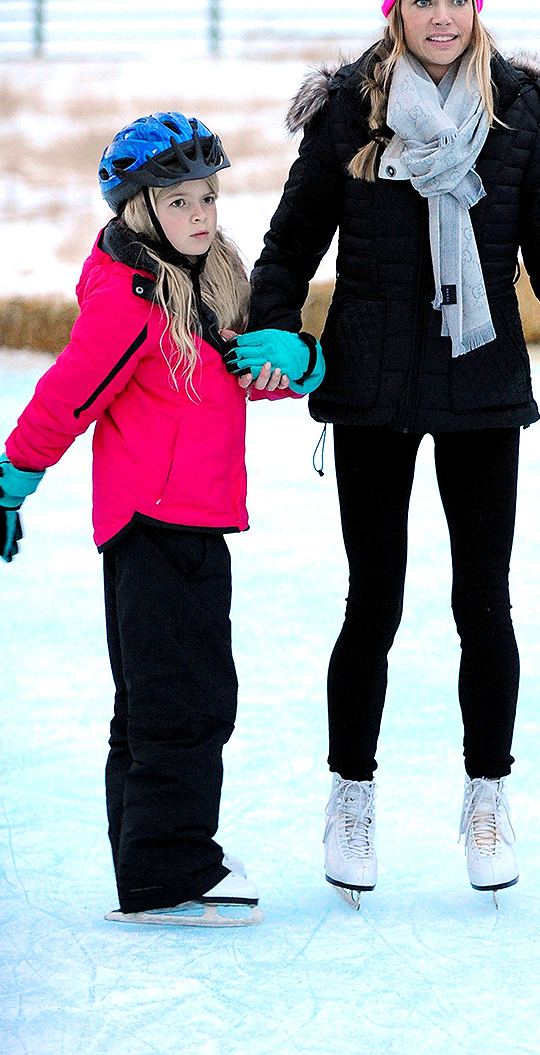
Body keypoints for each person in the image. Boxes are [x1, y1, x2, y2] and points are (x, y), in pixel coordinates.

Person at [226, 0, 540, 904]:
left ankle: (486, 797)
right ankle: (351, 796)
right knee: (370, 602)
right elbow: (287, 248)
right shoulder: (348, 114)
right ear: (393, 9)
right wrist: (279, 327)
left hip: (479, 385)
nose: (442, 16)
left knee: (481, 604)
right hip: (371, 389)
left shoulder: (522, 115)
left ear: (477, 5)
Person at [0, 113, 324, 927]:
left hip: (193, 521)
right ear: (142, 209)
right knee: (182, 700)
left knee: (156, 698)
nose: (202, 214)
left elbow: (248, 375)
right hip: (153, 528)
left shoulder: (208, 282)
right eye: (179, 201)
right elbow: (67, 397)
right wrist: (13, 477)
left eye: (209, 196)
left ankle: (148, 863)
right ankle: (170, 874)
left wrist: (300, 360)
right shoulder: (132, 299)